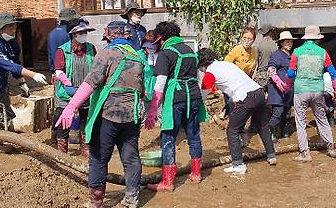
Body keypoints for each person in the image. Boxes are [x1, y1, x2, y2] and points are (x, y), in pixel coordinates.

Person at [55, 21, 146, 208]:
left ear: (110, 36)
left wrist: (70, 107)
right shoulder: (138, 57)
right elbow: (143, 90)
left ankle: (96, 202)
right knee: (130, 156)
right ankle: (131, 198)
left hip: (109, 115)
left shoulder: (106, 53)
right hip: (132, 116)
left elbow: (91, 82)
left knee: (98, 157)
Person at [145, 21, 207, 191]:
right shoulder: (190, 51)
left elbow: (160, 83)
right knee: (193, 134)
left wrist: (152, 112)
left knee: (168, 137)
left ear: (161, 37)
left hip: (176, 98)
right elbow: (198, 75)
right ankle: (196, 174)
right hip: (194, 96)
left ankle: (167, 182)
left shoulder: (166, 53)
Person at [198, 48, 276, 175]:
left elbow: (202, 96)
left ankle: (238, 165)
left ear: (202, 65)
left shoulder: (209, 74)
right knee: (262, 125)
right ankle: (271, 155)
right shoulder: (226, 64)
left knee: (232, 130)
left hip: (245, 98)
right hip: (259, 92)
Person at [284, 25, 336, 162]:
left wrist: (287, 85)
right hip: (318, 90)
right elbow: (332, 73)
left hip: (301, 90)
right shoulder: (323, 52)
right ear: (317, 39)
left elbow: (290, 73)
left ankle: (305, 153)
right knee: (321, 118)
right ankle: (330, 147)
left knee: (300, 121)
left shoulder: (297, 52)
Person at [52, 21, 97, 156]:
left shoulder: (90, 49)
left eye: (85, 33)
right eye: (80, 33)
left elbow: (96, 68)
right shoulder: (62, 50)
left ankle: (85, 147)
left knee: (86, 119)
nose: (84, 35)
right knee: (64, 120)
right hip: (67, 92)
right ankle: (62, 150)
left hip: (86, 91)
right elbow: (58, 70)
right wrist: (67, 83)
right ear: (73, 34)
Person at [266, 31, 296, 140]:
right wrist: (279, 83)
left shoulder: (292, 55)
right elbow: (271, 70)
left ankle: (285, 133)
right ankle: (271, 134)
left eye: (291, 42)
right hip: (277, 90)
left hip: (289, 89)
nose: (289, 44)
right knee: (278, 112)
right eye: (287, 42)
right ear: (282, 43)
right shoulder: (276, 55)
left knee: (287, 112)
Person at [47, 7, 81, 72]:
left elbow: (50, 56)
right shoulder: (71, 33)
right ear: (69, 20)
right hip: (69, 70)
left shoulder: (51, 33)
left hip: (57, 71)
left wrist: (53, 71)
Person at [253, 24, 278, 88]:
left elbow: (255, 62)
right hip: (272, 74)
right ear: (270, 32)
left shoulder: (258, 45)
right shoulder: (275, 46)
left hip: (261, 75)